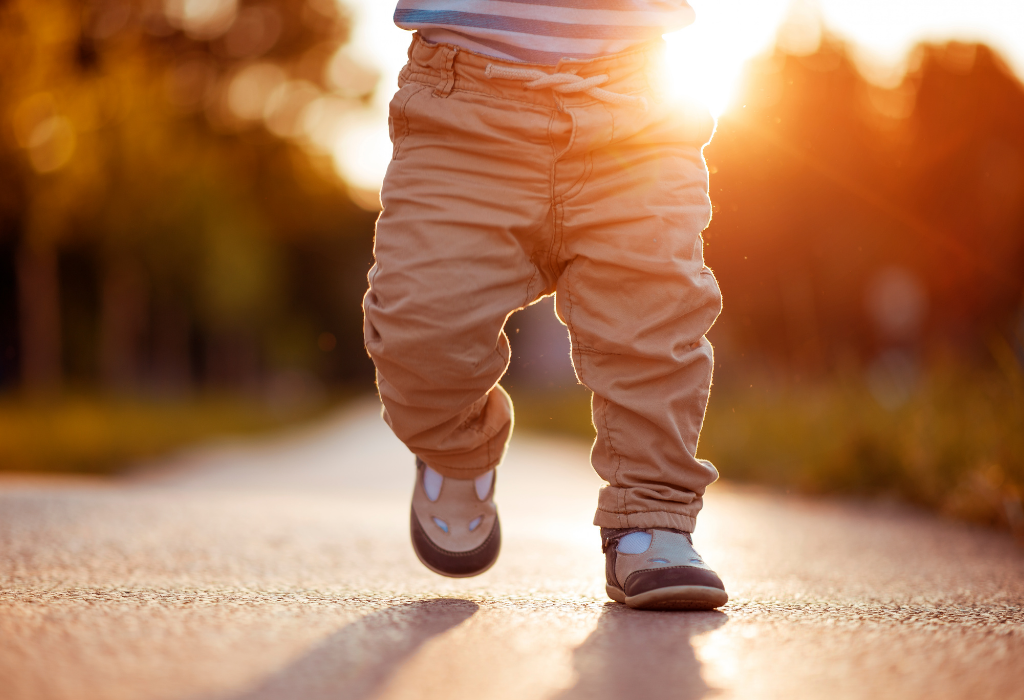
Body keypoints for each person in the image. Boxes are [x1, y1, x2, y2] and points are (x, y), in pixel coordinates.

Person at [363, 0, 728, 610]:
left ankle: (651, 517)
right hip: (462, 106)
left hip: (634, 106)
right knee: (419, 324)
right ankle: (457, 449)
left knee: (652, 321)